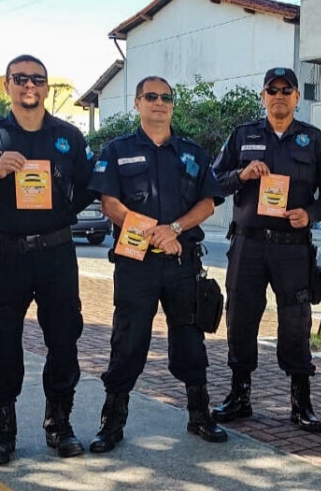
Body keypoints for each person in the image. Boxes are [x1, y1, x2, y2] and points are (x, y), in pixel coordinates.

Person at [0, 55, 95, 463]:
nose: (29, 86)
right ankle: (2, 432)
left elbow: (91, 184)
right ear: (7, 85)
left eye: (37, 79)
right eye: (20, 79)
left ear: (47, 88)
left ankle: (59, 424)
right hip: (7, 255)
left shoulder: (68, 135)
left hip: (56, 254)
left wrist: (65, 210)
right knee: (2, 345)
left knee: (64, 340)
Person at [87, 76, 227, 453]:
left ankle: (200, 415)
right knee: (128, 340)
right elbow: (109, 203)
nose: (159, 103)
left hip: (182, 261)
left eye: (166, 97)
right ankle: (111, 423)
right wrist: (152, 231)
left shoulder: (193, 153)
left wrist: (175, 229)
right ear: (137, 103)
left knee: (190, 339)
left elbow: (209, 202)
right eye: (151, 96)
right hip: (136, 263)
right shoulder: (116, 150)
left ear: (172, 106)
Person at [210, 67, 321, 433]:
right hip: (247, 245)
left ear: (297, 97)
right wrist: (241, 175)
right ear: (263, 95)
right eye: (273, 89)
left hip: (292, 248)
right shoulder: (243, 136)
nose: (280, 95)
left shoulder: (313, 140)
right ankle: (240, 396)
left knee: (296, 324)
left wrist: (311, 213)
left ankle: (301, 403)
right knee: (239, 319)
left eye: (287, 89)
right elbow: (212, 183)